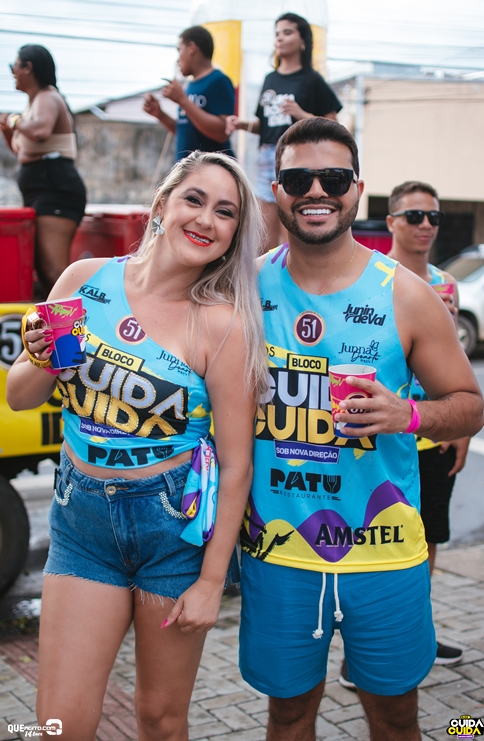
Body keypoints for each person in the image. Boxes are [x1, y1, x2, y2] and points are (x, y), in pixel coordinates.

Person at [6, 150, 267, 741]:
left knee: (160, 720)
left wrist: (211, 582)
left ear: (232, 235)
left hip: (173, 535)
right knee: (59, 725)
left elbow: (236, 465)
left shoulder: (223, 324)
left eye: (225, 212)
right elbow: (22, 395)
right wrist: (40, 357)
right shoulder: (84, 280)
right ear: (161, 205)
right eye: (194, 199)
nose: (206, 219)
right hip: (82, 527)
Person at [238, 118, 484, 741]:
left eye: (334, 177)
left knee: (397, 719)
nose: (316, 190)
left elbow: (469, 406)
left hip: (385, 552)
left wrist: (409, 415)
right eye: (299, 178)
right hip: (278, 554)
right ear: (277, 189)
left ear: (357, 189)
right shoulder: (242, 288)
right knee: (288, 717)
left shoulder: (408, 295)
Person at [387, 181, 469, 665]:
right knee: (383, 538)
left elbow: (456, 366)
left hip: (434, 433)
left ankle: (418, 632)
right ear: (392, 221)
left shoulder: (445, 283)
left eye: (434, 217)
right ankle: (364, 651)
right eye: (414, 216)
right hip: (389, 437)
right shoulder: (377, 280)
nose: (425, 225)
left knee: (429, 534)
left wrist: (460, 427)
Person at [226, 13, 342, 253]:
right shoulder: (270, 79)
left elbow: (333, 125)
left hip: (297, 162)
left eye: (287, 32)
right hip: (266, 160)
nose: (279, 38)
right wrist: (241, 125)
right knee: (262, 239)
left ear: (303, 40)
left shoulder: (311, 80)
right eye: (277, 33)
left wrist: (301, 113)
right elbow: (264, 125)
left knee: (292, 237)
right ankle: (265, 279)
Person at [0, 44, 86, 299]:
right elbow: (24, 152)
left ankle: (82, 322)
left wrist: (15, 120)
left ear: (29, 68)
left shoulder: (48, 96)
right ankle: (60, 322)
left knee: (54, 271)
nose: (12, 72)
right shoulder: (34, 103)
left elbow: (40, 131)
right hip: (42, 189)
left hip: (56, 189)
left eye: (14, 66)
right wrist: (9, 133)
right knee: (44, 271)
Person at [143, 25, 235, 162]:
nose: (177, 59)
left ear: (191, 47)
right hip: (189, 168)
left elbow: (222, 133)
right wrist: (159, 114)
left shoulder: (218, 81)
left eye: (179, 50)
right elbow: (186, 131)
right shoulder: (190, 86)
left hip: (210, 168)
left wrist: (183, 100)